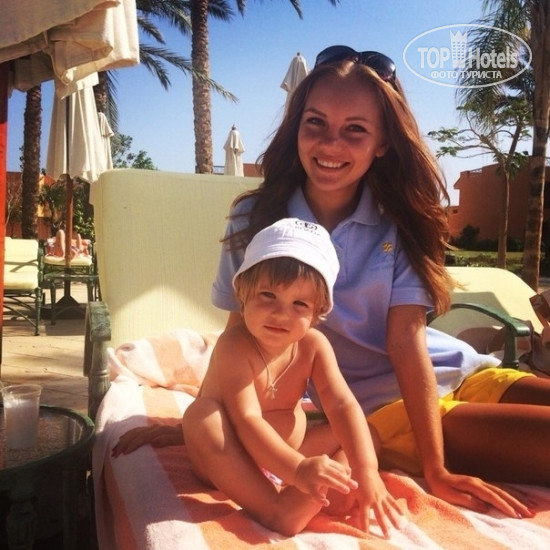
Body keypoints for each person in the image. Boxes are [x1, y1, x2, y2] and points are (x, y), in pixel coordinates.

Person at [207, 45, 550, 519]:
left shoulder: (400, 217)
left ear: (383, 142)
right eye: (315, 123)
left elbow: (407, 339)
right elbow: (238, 334)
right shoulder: (256, 218)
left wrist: (435, 470)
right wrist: (206, 417)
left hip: (465, 369)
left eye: (355, 129)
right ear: (297, 126)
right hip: (386, 408)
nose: (331, 144)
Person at [115, 218, 404, 537]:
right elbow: (247, 420)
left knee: (366, 435)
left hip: (290, 453)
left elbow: (342, 405)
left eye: (299, 303)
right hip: (232, 460)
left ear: (318, 311)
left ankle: (335, 485)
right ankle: (276, 509)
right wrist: (298, 470)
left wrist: (366, 469)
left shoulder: (314, 346)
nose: (281, 314)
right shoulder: (234, 346)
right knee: (203, 415)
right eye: (268, 295)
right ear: (242, 294)